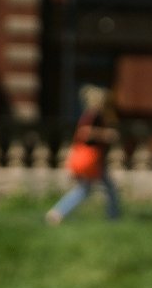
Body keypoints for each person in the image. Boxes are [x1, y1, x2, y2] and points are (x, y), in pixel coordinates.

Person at [46, 84, 123, 224]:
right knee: (89, 189)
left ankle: (113, 216)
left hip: (95, 159)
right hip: (92, 159)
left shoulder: (93, 115)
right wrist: (106, 134)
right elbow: (85, 132)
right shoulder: (93, 116)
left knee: (92, 189)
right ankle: (113, 217)